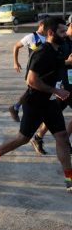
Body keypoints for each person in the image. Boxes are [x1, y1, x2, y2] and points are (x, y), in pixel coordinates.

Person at [0, 17, 72, 192]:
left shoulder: (58, 49)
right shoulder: (41, 52)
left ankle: (69, 179)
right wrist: (56, 91)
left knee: (61, 137)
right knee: (22, 139)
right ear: (50, 33)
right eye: (62, 31)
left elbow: (60, 64)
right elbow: (31, 81)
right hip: (34, 103)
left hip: (50, 103)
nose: (65, 34)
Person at [28, 14, 72, 155]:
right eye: (63, 31)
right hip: (63, 82)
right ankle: (61, 141)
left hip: (67, 81)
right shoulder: (61, 41)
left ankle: (42, 137)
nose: (64, 33)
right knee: (53, 114)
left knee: (54, 113)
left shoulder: (65, 40)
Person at [9, 18, 47, 122]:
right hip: (33, 70)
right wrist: (15, 62)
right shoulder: (31, 37)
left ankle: (17, 108)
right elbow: (16, 46)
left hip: (46, 71)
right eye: (47, 24)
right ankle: (17, 108)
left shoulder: (50, 36)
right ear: (41, 24)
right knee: (32, 91)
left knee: (36, 92)